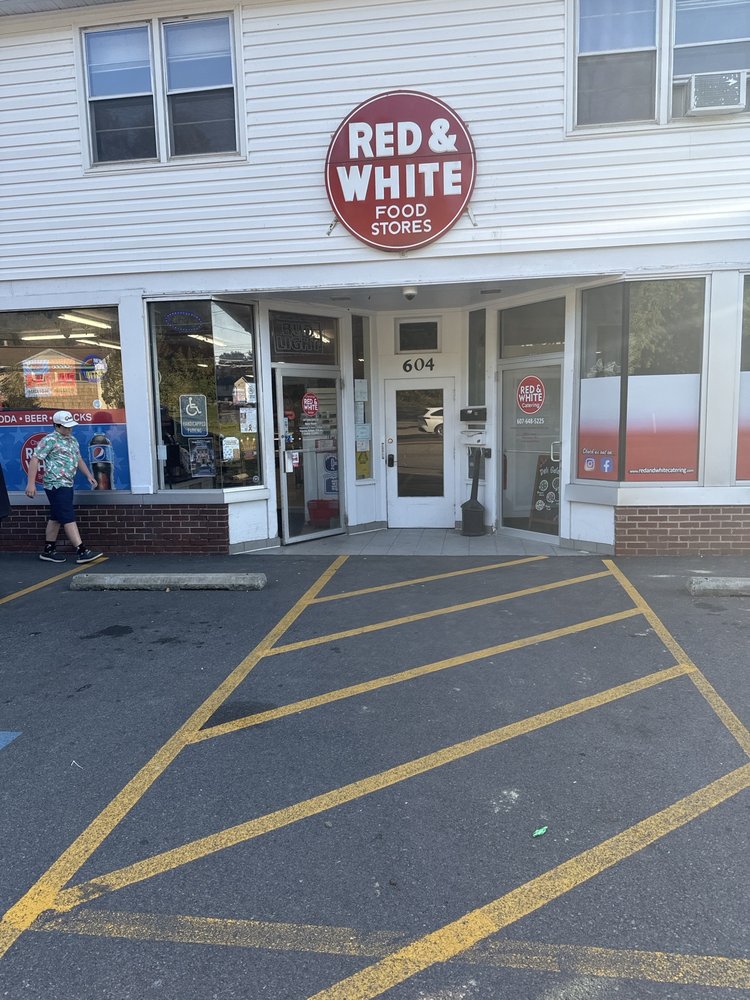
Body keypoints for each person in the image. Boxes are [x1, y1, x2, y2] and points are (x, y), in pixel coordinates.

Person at [24, 410, 103, 564]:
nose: (69, 430)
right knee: (67, 516)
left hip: (67, 483)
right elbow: (35, 459)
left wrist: (88, 475)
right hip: (55, 484)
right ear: (57, 426)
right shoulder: (49, 440)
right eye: (66, 427)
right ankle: (81, 550)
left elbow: (78, 459)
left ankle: (48, 549)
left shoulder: (72, 440)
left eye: (70, 427)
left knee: (56, 517)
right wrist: (31, 483)